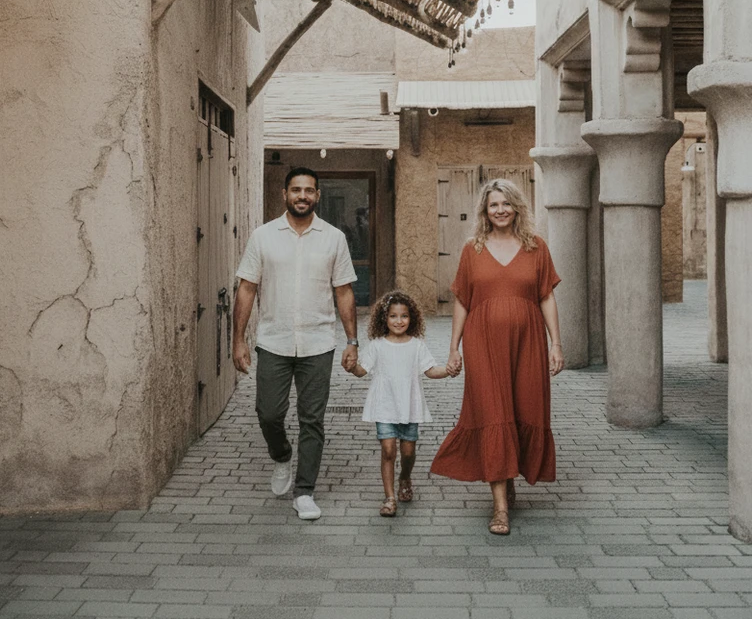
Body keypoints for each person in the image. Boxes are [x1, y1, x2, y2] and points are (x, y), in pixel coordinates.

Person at [430, 178, 564, 537]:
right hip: (483, 344)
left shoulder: (536, 247)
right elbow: (462, 300)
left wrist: (556, 344)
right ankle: (500, 507)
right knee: (493, 413)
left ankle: (509, 475)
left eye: (506, 204)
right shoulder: (471, 249)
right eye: (493, 205)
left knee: (523, 409)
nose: (500, 210)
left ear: (517, 207)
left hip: (528, 343)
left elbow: (546, 297)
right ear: (484, 212)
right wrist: (453, 347)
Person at [232, 167, 359, 521]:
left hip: (319, 342)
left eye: (309, 190)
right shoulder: (263, 236)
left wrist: (352, 340)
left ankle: (305, 491)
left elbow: (344, 290)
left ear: (317, 195)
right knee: (268, 413)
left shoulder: (334, 238)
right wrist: (237, 340)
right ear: (285, 194)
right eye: (296, 190)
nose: (302, 196)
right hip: (274, 340)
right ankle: (281, 456)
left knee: (312, 419)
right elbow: (246, 288)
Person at [346, 290, 456, 517]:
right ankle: (390, 498)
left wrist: (448, 370)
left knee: (407, 452)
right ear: (384, 319)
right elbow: (361, 370)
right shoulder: (377, 345)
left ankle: (405, 476)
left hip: (410, 407)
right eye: (393, 316)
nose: (398, 321)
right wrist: (351, 365)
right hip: (384, 405)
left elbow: (430, 370)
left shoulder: (416, 345)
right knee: (388, 450)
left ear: (411, 318)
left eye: (404, 316)